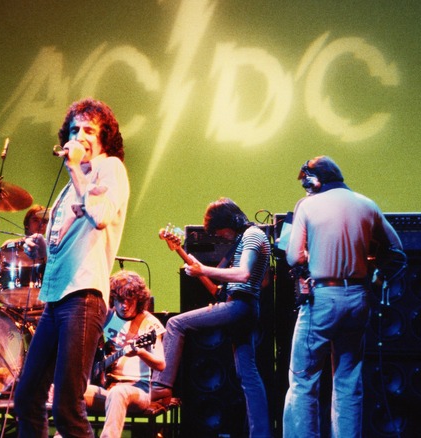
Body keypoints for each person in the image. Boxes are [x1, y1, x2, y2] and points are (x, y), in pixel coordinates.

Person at [15, 98, 130, 437]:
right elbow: (67, 240)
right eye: (75, 130)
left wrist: (77, 174)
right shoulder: (70, 186)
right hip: (58, 298)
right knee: (27, 397)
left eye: (89, 131)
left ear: (104, 138)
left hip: (84, 296)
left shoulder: (110, 168)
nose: (79, 136)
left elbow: (101, 217)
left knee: (67, 407)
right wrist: (42, 249)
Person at [282, 156, 405, 437]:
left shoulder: (308, 205)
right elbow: (397, 252)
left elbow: (293, 256)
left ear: (314, 181)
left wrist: (312, 256)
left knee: (303, 382)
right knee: (348, 382)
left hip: (324, 297)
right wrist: (378, 277)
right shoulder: (366, 204)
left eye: (306, 184)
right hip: (358, 298)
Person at [151, 197, 272, 437]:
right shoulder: (241, 240)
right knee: (247, 375)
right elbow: (216, 290)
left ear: (232, 222)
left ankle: (161, 386)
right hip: (242, 305)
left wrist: (203, 269)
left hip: (241, 306)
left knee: (176, 324)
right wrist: (180, 252)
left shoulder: (251, 236)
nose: (219, 236)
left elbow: (244, 274)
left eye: (220, 230)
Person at [84, 270, 165, 438]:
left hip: (138, 391)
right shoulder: (106, 317)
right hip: (107, 388)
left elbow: (161, 364)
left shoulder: (149, 323)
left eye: (130, 300)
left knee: (118, 393)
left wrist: (141, 352)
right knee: (71, 390)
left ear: (139, 300)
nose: (124, 305)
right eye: (120, 300)